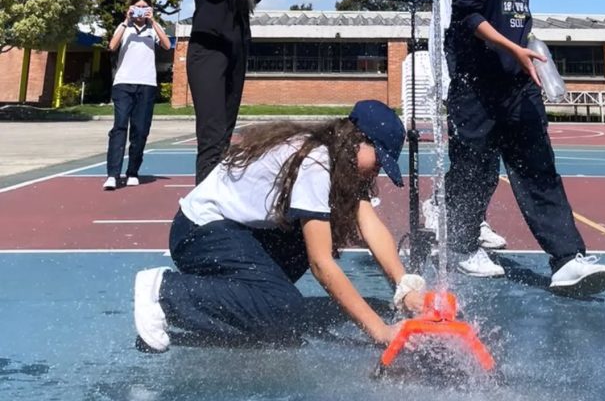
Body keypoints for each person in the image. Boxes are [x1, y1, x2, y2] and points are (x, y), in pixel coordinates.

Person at [133, 100, 426, 352]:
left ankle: (252, 301)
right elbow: (321, 264)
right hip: (197, 235)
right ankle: (165, 292)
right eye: (379, 160)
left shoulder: (333, 157)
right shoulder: (317, 164)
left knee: (293, 271)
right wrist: (381, 331)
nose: (378, 170)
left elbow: (369, 223)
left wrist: (405, 286)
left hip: (229, 231)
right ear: (358, 140)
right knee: (285, 309)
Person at [444, 0, 605, 295]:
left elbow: (519, 15)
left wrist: (531, 53)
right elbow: (468, 14)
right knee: (473, 171)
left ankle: (568, 259)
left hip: (518, 83)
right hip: (476, 84)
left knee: (539, 168)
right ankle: (461, 247)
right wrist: (510, 49)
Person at [188, 0, 282, 183]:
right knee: (212, 135)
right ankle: (202, 214)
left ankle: (216, 201)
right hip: (208, 47)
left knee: (225, 135)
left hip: (237, 48)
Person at [421, 0, 507, 256]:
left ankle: (475, 219)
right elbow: (438, 40)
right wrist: (445, 85)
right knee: (467, 160)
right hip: (462, 90)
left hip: (492, 92)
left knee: (490, 167)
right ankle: (440, 206)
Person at [104, 0, 171, 190]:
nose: (140, 10)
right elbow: (112, 45)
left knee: (140, 130)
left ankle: (132, 171)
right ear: (131, 8)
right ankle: (113, 174)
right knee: (120, 127)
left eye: (144, 7)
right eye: (137, 7)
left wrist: (153, 21)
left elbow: (167, 45)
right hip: (123, 84)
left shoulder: (153, 29)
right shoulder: (124, 27)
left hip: (147, 84)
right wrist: (127, 21)